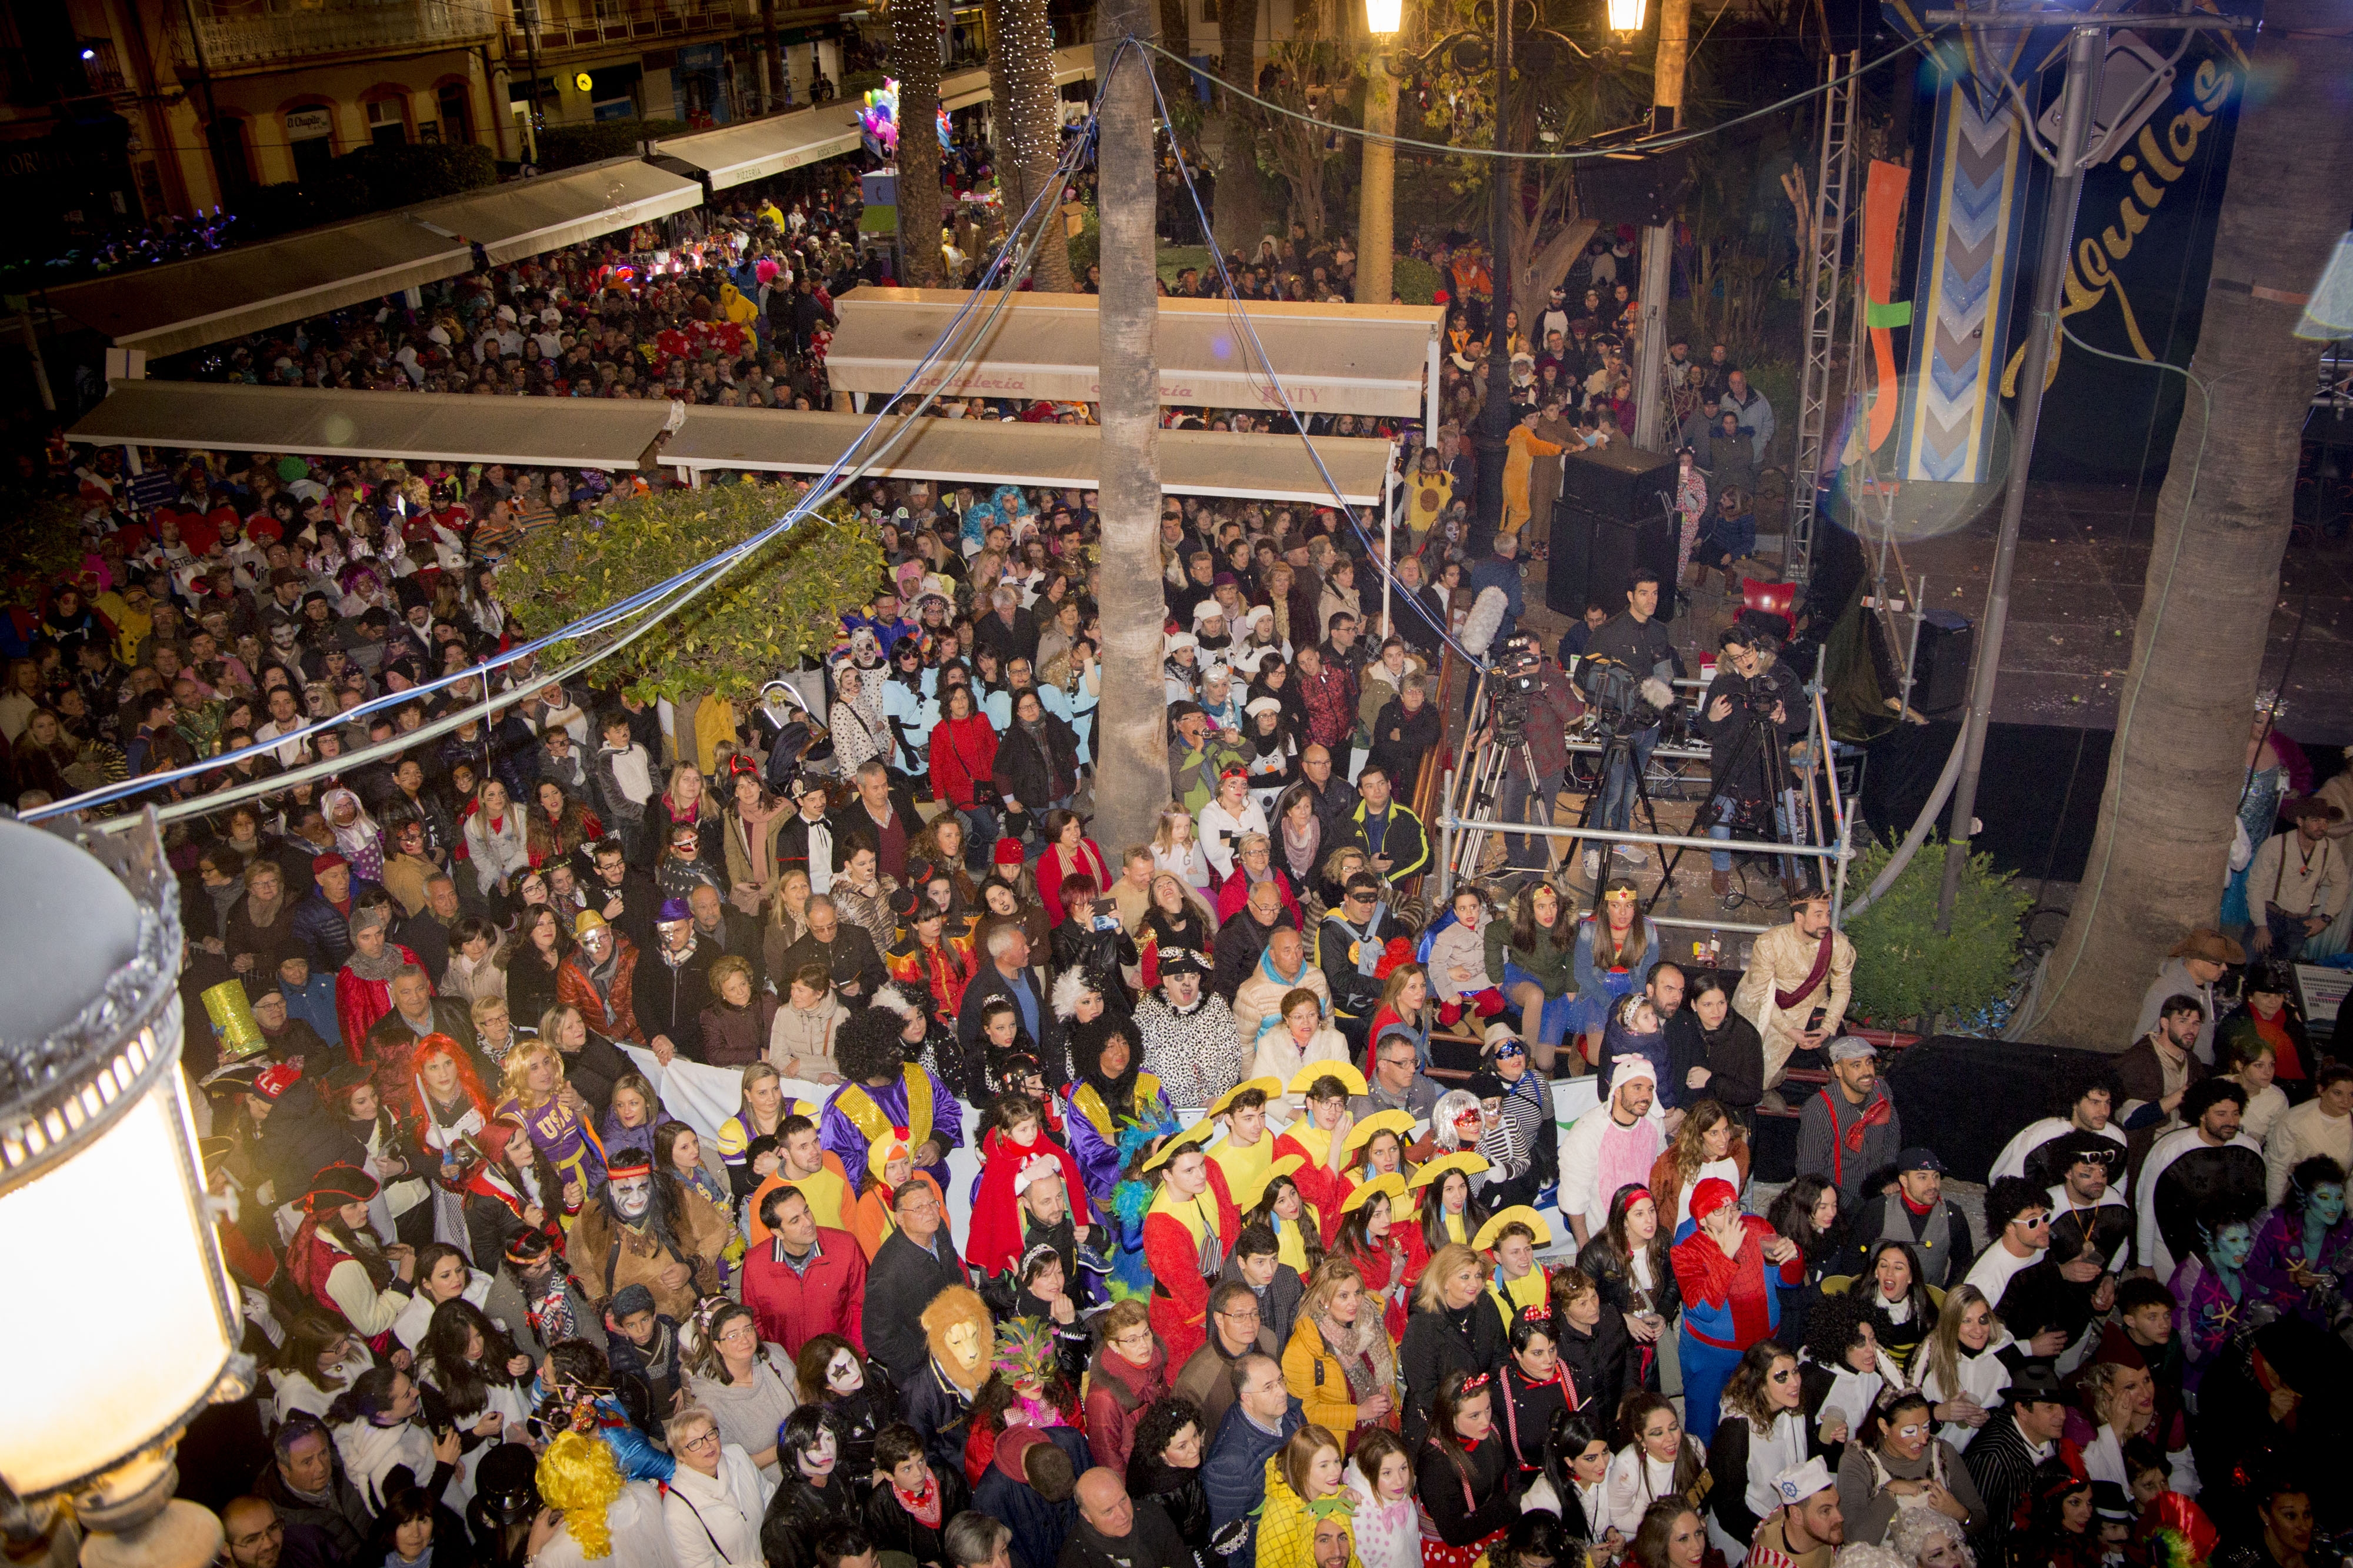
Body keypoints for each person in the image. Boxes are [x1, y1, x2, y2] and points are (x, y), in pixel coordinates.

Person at [1672, 1176, 1804, 1447]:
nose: (1731, 1215)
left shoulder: (1758, 1227)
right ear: (1702, 1219)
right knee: (1704, 1431)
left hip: (1762, 1352)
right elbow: (1703, 1310)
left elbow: (1788, 1283)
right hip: (1712, 1357)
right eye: (1719, 1210)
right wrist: (1725, 1256)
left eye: (1733, 1206)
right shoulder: (1687, 1249)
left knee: (1761, 1424)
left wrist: (1794, 1256)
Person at [2137, 1078, 2264, 1282]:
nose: (2231, 1122)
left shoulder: (2250, 1148)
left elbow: (2257, 1207)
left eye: (2235, 1113)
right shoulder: (2170, 1150)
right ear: (2202, 1115)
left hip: (2229, 1251)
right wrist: (2145, 1263)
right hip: (2171, 1250)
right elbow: (2147, 1209)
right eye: (2221, 1114)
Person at [1733, 891, 1852, 1098]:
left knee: (1846, 1061)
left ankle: (1838, 1101)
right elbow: (1760, 995)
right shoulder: (1770, 943)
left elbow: (1842, 990)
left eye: (1827, 914)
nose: (1826, 921)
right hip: (1773, 1009)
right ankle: (1764, 1091)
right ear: (1799, 918)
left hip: (1817, 1008)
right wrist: (1790, 1030)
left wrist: (1827, 1028)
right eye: (1818, 915)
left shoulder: (1837, 945)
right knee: (1757, 1065)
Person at [1142, 1136, 1245, 1367]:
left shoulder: (1208, 1174)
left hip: (1218, 1288)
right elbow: (1187, 1287)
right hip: (1181, 1315)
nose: (1201, 1175)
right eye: (1189, 1170)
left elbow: (1229, 1221)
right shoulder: (1162, 1225)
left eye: (1201, 1165)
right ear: (1167, 1175)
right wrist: (1223, 1320)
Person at [865, 1179, 974, 1388]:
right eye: (918, 1208)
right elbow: (878, 1340)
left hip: (959, 1351)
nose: (931, 1212)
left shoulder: (938, 1230)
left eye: (933, 1203)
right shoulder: (888, 1272)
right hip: (923, 1376)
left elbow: (954, 1274)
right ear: (900, 1219)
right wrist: (924, 1358)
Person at [741, 1182, 869, 1358]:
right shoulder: (755, 1264)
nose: (808, 1222)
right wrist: (775, 1365)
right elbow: (754, 1322)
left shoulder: (846, 1247)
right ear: (778, 1232)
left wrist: (856, 1356)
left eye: (806, 1211)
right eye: (795, 1220)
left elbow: (862, 1307)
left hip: (840, 1363)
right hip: (790, 1370)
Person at [1399, 1242, 1509, 1445]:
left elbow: (1501, 1356)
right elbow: (1424, 1390)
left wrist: (1482, 1401)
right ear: (1444, 1281)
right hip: (1436, 1424)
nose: (1475, 1284)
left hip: (1482, 1411)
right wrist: (1464, 1413)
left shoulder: (1485, 1303)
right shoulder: (1423, 1324)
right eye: (1465, 1277)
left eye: (1478, 1276)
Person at [1283, 1256, 1398, 1443]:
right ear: (1324, 1300)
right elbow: (1305, 1413)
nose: (1354, 1303)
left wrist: (1389, 1391)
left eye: (1358, 1292)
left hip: (1382, 1438)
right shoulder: (1304, 1347)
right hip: (1339, 1449)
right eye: (1343, 1296)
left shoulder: (1372, 1323)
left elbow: (1389, 1362)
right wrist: (1358, 1413)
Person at [1203, 1353, 1305, 1561]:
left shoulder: (1286, 1411)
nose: (1282, 1392)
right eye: (1268, 1387)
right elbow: (1228, 1545)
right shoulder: (1229, 1464)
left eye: (1280, 1380)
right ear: (1246, 1398)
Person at [1418, 1369, 1519, 1568]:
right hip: (1458, 1550)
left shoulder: (1492, 1431)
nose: (1486, 1421)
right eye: (1474, 1416)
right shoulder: (1436, 1463)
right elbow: (1454, 1535)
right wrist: (1511, 1507)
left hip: (1491, 1528)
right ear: (1451, 1417)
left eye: (1488, 1409)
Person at [1561, 1057, 1667, 1247]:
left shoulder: (1654, 1123)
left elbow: (1661, 1170)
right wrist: (1585, 1247)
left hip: (1646, 1233)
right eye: (1637, 1087)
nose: (1646, 1096)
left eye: (1650, 1089)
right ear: (1618, 1091)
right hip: (1604, 1239)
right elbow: (1573, 1197)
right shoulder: (1588, 1132)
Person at [662, 1402, 777, 1568]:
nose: (707, 1445)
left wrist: (780, 1548)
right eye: (694, 1443)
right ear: (680, 1456)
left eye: (710, 1434)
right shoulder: (677, 1511)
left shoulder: (737, 1455)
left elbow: (770, 1500)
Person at [1848, 1149, 1977, 1294]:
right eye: (1923, 1178)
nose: (1932, 1185)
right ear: (1904, 1181)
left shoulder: (1952, 1215)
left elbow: (1964, 1264)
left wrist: (1946, 1297)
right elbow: (1854, 1258)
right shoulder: (1878, 1210)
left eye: (1936, 1177)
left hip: (1927, 1307)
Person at [1797, 1038, 1901, 1212]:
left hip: (1879, 1193)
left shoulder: (1881, 1091)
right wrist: (1832, 1207)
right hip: (1841, 1203)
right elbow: (1810, 1172)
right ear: (1838, 1070)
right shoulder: (1820, 1110)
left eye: (1869, 1062)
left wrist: (1887, 1177)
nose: (1867, 1072)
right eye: (1856, 1065)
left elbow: (1893, 1134)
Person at [865, 1422, 974, 1568]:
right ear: (888, 1475)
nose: (919, 1473)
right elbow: (886, 1559)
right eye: (907, 1469)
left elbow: (969, 1529)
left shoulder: (948, 1479)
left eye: (921, 1461)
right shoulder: (877, 1508)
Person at [1604, 1392, 1707, 1539]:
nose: (1670, 1439)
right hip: (1644, 1538)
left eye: (1673, 1428)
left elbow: (1703, 1487)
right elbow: (1618, 1518)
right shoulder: (1626, 1466)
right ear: (1641, 1438)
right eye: (1658, 1433)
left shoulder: (1695, 1447)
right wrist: (1668, 1524)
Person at [1085, 1300, 1171, 1474]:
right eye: (1132, 1340)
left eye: (1146, 1334)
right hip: (1136, 1478)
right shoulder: (1103, 1398)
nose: (1144, 1345)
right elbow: (1110, 1463)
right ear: (1114, 1346)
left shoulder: (1153, 1362)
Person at [1254, 1425, 1357, 1568]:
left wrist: (1342, 1493)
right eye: (1323, 1466)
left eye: (1336, 1461)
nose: (1336, 1471)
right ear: (1300, 1468)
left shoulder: (1322, 1489)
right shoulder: (1282, 1518)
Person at [1062, 1467, 1193, 1568]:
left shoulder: (1153, 1516)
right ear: (1087, 1517)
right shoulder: (1075, 1559)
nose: (1123, 1515)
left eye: (1123, 1500)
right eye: (1108, 1511)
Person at [2265, 1061, 2353, 1206]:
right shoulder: (2294, 1120)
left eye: (2351, 1094)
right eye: (2338, 1093)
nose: (2346, 1101)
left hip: (2337, 1202)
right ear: (2321, 1090)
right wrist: (2276, 1213)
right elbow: (2277, 1169)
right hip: (2300, 1200)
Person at [1745, 1458, 1846, 1568]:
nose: (1840, 1518)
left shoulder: (1821, 1532)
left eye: (1838, 1505)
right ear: (1797, 1515)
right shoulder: (1769, 1564)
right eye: (1826, 1511)